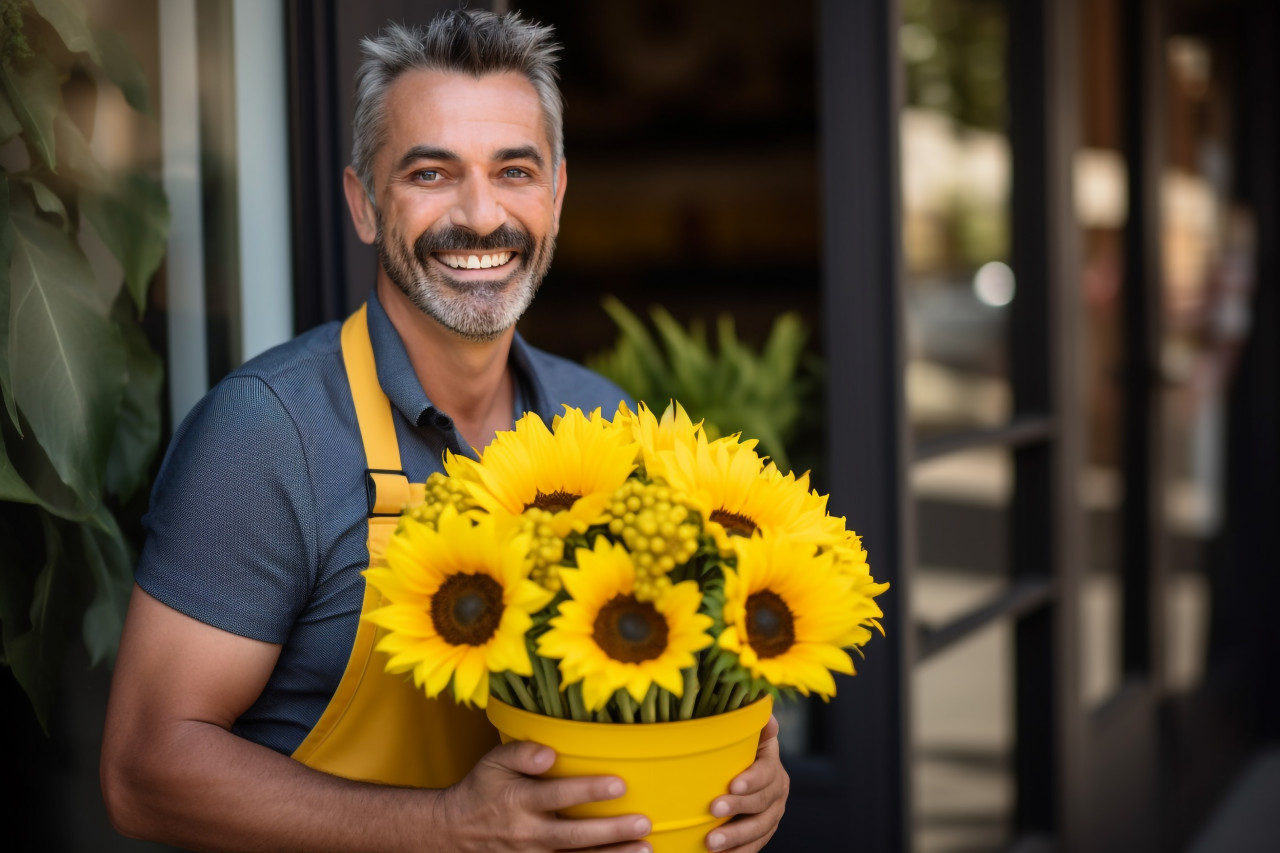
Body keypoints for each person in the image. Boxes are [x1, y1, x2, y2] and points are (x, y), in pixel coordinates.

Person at [101, 10, 788, 853]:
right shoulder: (267, 435)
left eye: (514, 171)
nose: (480, 215)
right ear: (362, 202)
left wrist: (744, 772)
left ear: (557, 195)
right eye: (431, 173)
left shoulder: (607, 424)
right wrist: (446, 828)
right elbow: (143, 771)